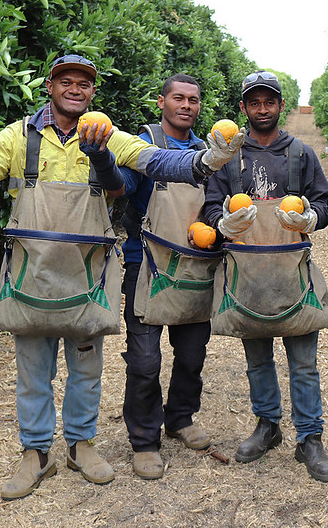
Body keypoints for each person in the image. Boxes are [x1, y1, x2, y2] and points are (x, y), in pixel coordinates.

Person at [0, 54, 243, 500]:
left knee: (86, 370)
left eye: (84, 83)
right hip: (32, 275)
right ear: (50, 86)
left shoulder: (105, 134)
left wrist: (205, 161)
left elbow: (158, 164)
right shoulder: (18, 137)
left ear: (92, 93)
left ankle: (82, 446)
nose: (76, 89)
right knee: (33, 372)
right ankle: (35, 454)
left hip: (86, 277)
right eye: (67, 81)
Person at [202, 71, 328, 482]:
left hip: (292, 272)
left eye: (269, 102)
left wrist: (312, 217)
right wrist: (221, 223)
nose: (262, 109)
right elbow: (208, 208)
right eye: (254, 102)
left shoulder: (300, 154)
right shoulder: (229, 157)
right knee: (258, 360)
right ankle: (268, 425)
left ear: (280, 105)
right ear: (242, 108)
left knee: (304, 363)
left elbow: (326, 205)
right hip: (247, 273)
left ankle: (310, 438)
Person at [119, 73, 213, 480]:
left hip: (196, 262)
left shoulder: (210, 152)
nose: (187, 106)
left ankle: (180, 417)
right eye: (179, 98)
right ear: (162, 101)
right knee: (144, 359)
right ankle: (144, 440)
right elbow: (119, 189)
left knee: (192, 355)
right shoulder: (143, 145)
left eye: (193, 100)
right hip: (147, 265)